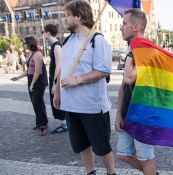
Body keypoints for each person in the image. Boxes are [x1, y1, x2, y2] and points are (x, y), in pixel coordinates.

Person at [52, 1, 115, 174]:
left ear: (78, 17)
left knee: (101, 145)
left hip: (92, 106)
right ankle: (90, 171)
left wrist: (77, 79)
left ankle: (111, 172)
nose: (65, 19)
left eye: (67, 15)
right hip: (71, 104)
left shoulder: (97, 40)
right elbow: (63, 69)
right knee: (80, 144)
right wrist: (57, 91)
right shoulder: (68, 40)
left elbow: (103, 70)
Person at [115, 9, 158, 175]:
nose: (121, 28)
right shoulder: (133, 49)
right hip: (128, 113)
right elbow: (123, 86)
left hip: (143, 115)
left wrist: (132, 53)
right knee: (123, 154)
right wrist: (119, 113)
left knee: (146, 158)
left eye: (125, 24)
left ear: (136, 27)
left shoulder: (145, 50)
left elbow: (128, 77)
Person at [11, 36, 49, 136]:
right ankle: (40, 122)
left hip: (38, 81)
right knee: (35, 102)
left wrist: (32, 84)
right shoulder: (30, 53)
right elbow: (29, 71)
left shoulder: (38, 54)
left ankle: (43, 125)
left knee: (37, 102)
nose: (23, 45)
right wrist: (18, 77)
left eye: (24, 43)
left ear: (29, 43)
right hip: (31, 79)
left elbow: (37, 71)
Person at [43, 24, 67, 134]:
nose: (43, 35)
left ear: (48, 32)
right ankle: (63, 123)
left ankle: (64, 125)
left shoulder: (57, 46)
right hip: (53, 76)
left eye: (44, 32)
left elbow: (59, 65)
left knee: (58, 101)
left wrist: (55, 83)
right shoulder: (54, 45)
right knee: (56, 101)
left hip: (56, 77)